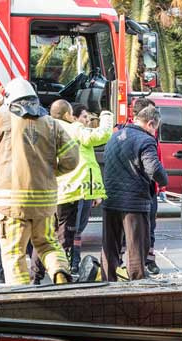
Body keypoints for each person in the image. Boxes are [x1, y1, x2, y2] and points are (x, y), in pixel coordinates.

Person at [0, 78, 78, 285]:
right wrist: (49, 173)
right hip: (45, 202)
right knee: (48, 244)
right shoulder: (52, 124)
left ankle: (22, 294)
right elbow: (72, 160)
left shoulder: (2, 118)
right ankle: (60, 273)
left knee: (14, 253)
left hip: (12, 205)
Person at [102, 105, 167, 282]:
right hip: (134, 202)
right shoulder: (145, 140)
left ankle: (107, 285)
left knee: (110, 248)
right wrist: (164, 181)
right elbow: (153, 168)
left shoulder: (114, 137)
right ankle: (137, 287)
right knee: (136, 249)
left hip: (110, 200)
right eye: (155, 128)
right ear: (151, 123)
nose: (155, 132)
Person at [50, 99, 113, 277]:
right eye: (83, 116)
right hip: (72, 191)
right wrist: (107, 116)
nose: (86, 120)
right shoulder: (74, 128)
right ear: (70, 116)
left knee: (56, 234)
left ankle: (60, 269)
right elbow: (99, 137)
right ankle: (64, 272)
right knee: (66, 234)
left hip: (65, 189)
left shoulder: (52, 128)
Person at [129, 96, 162, 276]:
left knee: (151, 226)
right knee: (134, 229)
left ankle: (149, 260)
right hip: (138, 188)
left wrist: (160, 186)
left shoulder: (151, 134)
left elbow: (157, 158)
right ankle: (134, 265)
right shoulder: (131, 131)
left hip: (151, 187)